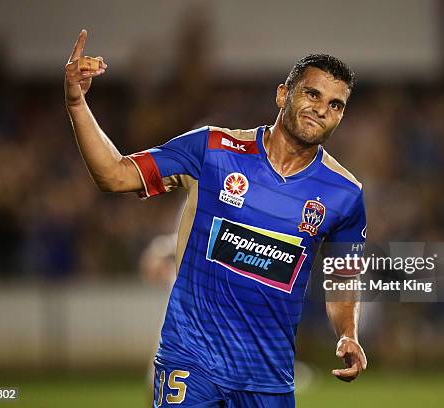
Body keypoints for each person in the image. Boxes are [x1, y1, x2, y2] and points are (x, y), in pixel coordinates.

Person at [65, 29, 367, 407]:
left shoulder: (346, 194)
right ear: (282, 95)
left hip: (267, 377)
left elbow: (343, 281)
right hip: (191, 360)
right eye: (312, 93)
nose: (322, 108)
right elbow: (114, 175)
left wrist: (348, 332)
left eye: (336, 104)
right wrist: (77, 104)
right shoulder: (213, 148)